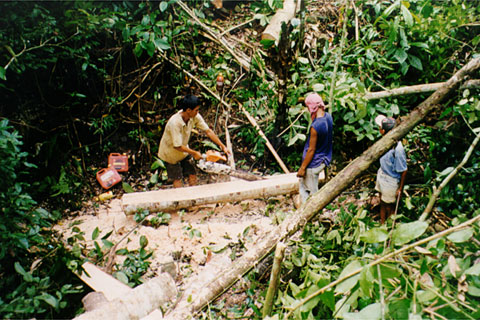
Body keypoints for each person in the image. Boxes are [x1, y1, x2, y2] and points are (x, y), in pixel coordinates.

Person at [158, 94, 230, 188]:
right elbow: (177, 146)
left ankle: (194, 198)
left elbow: (208, 131)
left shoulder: (194, 116)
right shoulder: (175, 123)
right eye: (196, 110)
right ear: (188, 110)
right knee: (177, 178)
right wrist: (194, 153)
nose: (198, 112)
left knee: (192, 173)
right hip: (170, 154)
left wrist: (222, 146)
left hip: (184, 151)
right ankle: (181, 200)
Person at [297, 93, 333, 204]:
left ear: (312, 107)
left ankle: (308, 217)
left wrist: (303, 168)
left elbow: (311, 150)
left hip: (313, 164)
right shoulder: (328, 117)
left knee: (309, 192)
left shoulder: (315, 127)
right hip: (324, 159)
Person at [374, 115, 408, 224]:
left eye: (380, 128)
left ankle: (389, 227)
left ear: (383, 131)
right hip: (382, 174)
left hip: (391, 180)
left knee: (389, 206)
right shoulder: (384, 141)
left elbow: (403, 170)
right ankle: (382, 223)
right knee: (382, 203)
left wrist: (400, 189)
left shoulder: (397, 149)